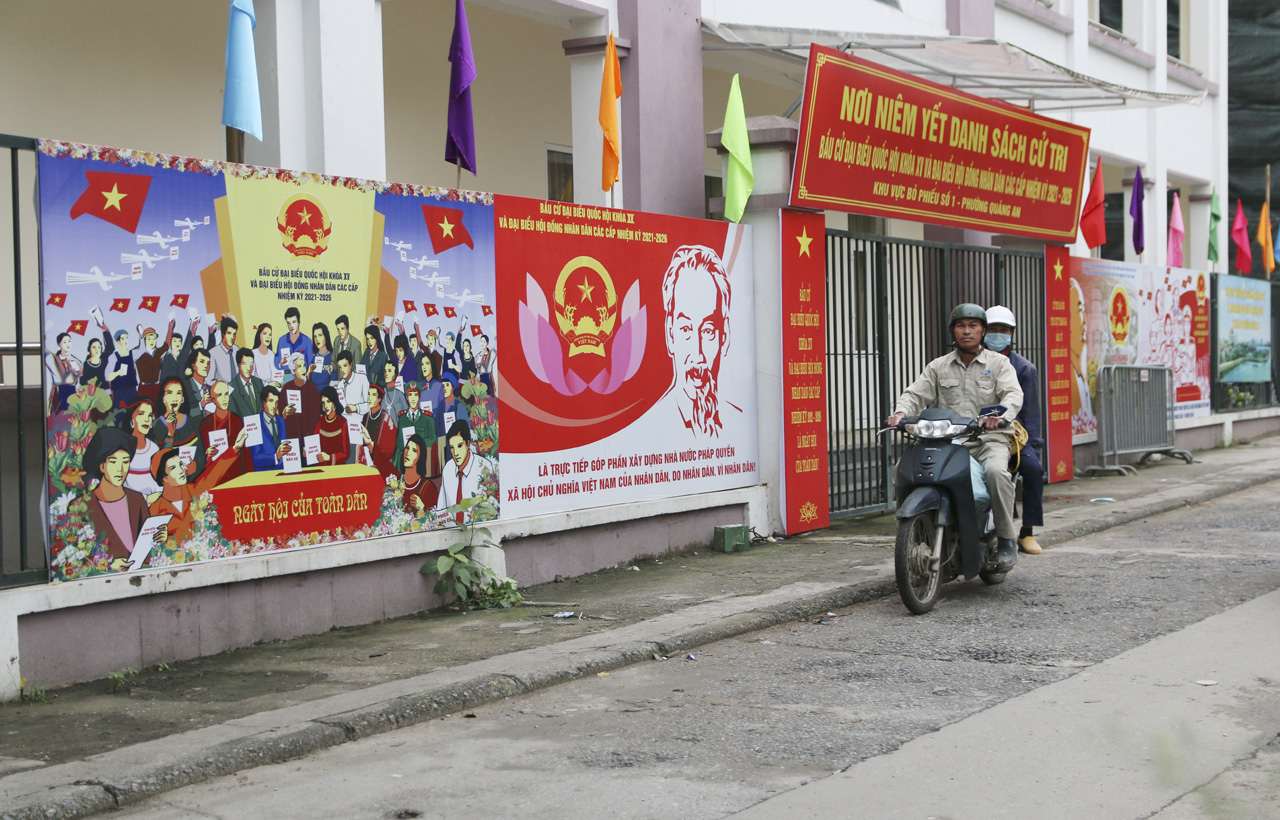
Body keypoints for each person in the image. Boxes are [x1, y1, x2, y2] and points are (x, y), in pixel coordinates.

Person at [886, 304, 1024, 572]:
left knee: (996, 472)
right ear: (953, 331)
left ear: (983, 330)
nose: (967, 331)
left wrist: (1000, 415)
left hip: (988, 440)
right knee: (901, 470)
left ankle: (1007, 539)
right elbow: (916, 393)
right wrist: (901, 412)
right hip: (949, 441)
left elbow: (1012, 395)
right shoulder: (938, 366)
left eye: (973, 326)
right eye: (961, 326)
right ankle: (913, 531)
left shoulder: (999, 364)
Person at [658, 244, 740, 439]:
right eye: (686, 329)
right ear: (670, 335)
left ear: (725, 336)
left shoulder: (739, 424)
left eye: (708, 330)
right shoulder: (653, 426)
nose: (698, 355)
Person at [984, 306, 1045, 556]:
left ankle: (1027, 532)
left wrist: (1033, 445)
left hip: (1013, 434)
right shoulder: (969, 361)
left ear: (1012, 334)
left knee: (1032, 470)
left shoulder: (1024, 368)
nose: (998, 334)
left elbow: (1030, 411)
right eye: (993, 330)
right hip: (974, 433)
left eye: (1004, 330)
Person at [81, 426, 165, 569]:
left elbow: (148, 551)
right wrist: (108, 565)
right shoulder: (83, 506)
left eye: (125, 462)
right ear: (102, 466)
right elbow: (75, 558)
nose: (120, 469)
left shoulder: (136, 499)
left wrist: (158, 539)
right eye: (113, 462)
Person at [147, 435, 245, 544]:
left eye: (180, 464)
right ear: (163, 478)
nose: (181, 470)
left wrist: (236, 447)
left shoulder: (193, 490)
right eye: (173, 468)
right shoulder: (155, 510)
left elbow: (214, 473)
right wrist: (165, 540)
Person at [200, 380, 249, 483]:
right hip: (215, 475)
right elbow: (202, 457)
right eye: (219, 395)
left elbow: (244, 455)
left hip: (236, 475)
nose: (224, 399)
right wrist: (207, 456)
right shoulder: (205, 425)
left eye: (226, 394)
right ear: (213, 399)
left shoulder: (237, 420)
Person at [394, 381, 437, 474]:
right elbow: (399, 442)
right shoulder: (402, 418)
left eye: (416, 395)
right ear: (406, 397)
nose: (413, 399)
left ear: (419, 397)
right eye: (410, 395)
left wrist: (418, 445)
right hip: (406, 461)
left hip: (423, 461)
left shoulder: (427, 418)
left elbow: (433, 439)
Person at [121, 399, 162, 498]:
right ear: (132, 419)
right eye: (141, 414)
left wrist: (157, 494)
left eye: (149, 415)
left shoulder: (154, 448)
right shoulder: (122, 448)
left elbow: (160, 480)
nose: (147, 419)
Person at [249, 385, 292, 471]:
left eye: (276, 402)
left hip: (282, 471)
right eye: (271, 401)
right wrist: (276, 456)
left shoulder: (281, 420)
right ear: (264, 402)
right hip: (263, 474)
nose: (274, 406)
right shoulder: (253, 423)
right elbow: (255, 458)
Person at [283, 353, 321, 443]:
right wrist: (284, 414)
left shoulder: (312, 388)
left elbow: (316, 416)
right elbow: (282, 415)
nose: (303, 369)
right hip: (293, 437)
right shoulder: (287, 388)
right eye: (299, 366)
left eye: (304, 365)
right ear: (293, 370)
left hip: (310, 436)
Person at [46, 332, 82, 412]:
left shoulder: (76, 361)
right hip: (58, 391)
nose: (68, 344)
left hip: (72, 390)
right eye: (64, 342)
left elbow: (79, 377)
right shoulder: (54, 358)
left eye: (69, 341)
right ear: (60, 344)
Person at [314, 386, 350, 465]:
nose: (325, 406)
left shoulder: (342, 422)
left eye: (328, 401)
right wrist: (308, 452)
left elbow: (346, 454)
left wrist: (329, 457)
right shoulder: (321, 420)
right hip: (321, 466)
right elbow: (314, 444)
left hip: (337, 467)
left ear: (334, 403)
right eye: (323, 402)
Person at [229, 348, 265, 419]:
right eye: (245, 364)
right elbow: (233, 417)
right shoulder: (231, 387)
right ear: (238, 365)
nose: (249, 368)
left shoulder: (259, 382)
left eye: (251, 364)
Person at [276, 306, 314, 373]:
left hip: (302, 378)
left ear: (299, 322)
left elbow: (310, 363)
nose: (291, 326)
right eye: (288, 323)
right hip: (287, 378)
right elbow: (276, 362)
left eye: (294, 322)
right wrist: (280, 364)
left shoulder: (307, 341)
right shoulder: (282, 340)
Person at [208, 316, 239, 386]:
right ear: (223, 334)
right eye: (229, 333)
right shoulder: (213, 353)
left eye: (234, 334)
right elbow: (209, 380)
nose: (232, 337)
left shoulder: (236, 349)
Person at [361, 324, 388, 390]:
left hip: (377, 391)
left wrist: (377, 386)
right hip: (364, 388)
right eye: (367, 339)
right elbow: (360, 367)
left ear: (376, 338)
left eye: (372, 338)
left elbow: (385, 379)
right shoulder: (367, 352)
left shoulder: (383, 356)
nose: (369, 342)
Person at [311, 322, 334, 392]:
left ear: (326, 336)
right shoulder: (312, 359)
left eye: (320, 335)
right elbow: (312, 379)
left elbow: (334, 380)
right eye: (315, 336)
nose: (317, 339)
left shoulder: (333, 357)